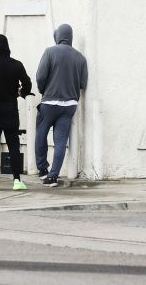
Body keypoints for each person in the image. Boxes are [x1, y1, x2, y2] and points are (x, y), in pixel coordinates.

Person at [35, 24, 89, 187]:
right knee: (60, 141)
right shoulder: (80, 57)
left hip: (49, 102)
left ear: (58, 35)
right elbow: (83, 83)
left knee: (41, 134)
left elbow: (40, 76)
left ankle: (43, 169)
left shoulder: (50, 52)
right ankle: (53, 176)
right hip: (69, 106)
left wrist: (43, 90)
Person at [0, 34, 33, 192]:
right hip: (10, 111)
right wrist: (22, 93)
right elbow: (27, 83)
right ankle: (17, 180)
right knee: (14, 145)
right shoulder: (16, 65)